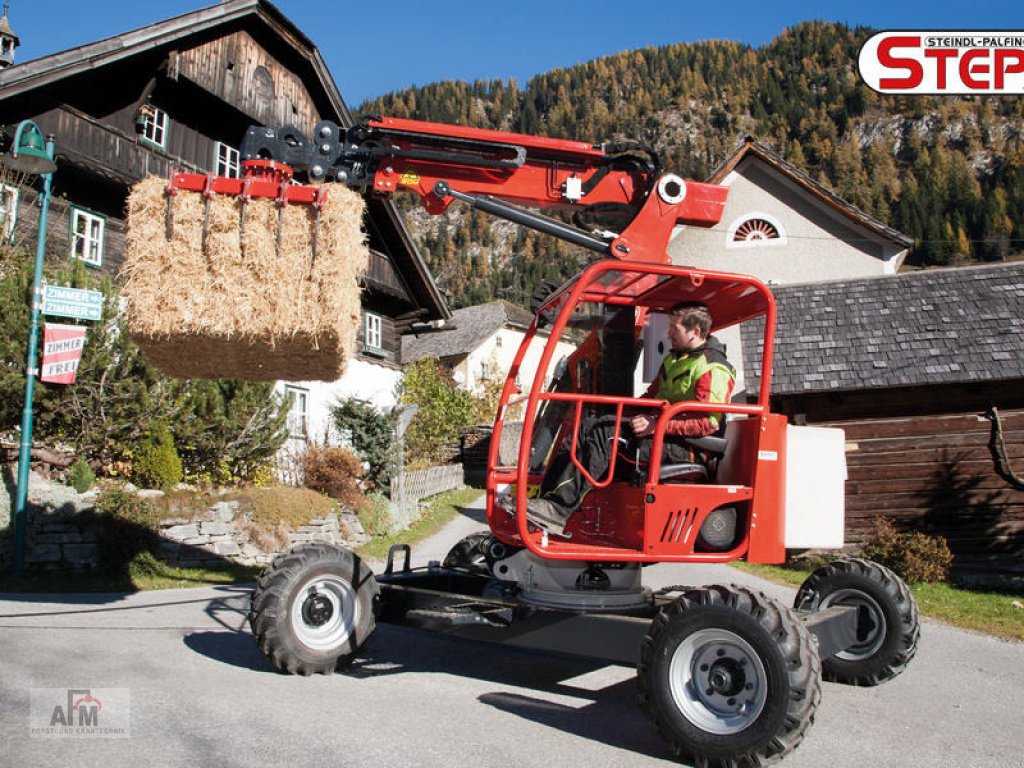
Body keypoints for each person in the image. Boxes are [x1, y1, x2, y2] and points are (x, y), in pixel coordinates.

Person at [525, 302, 736, 535]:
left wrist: (657, 426)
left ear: (695, 331)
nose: (668, 334)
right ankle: (542, 501)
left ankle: (558, 510)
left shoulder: (714, 368)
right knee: (588, 426)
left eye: (675, 329)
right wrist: (617, 413)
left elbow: (709, 423)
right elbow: (650, 398)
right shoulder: (675, 359)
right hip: (662, 436)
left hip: (688, 447)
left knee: (605, 435)